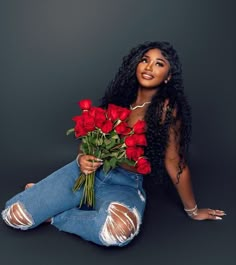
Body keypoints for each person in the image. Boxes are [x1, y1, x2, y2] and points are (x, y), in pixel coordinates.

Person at [1, 41, 226, 247]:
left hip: (124, 184)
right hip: (85, 174)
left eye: (159, 64)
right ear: (136, 65)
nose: (149, 67)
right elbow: (90, 140)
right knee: (15, 216)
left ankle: (54, 215)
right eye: (145, 60)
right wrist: (82, 158)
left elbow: (174, 162)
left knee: (118, 232)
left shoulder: (165, 110)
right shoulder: (119, 98)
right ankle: (48, 197)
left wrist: (193, 211)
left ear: (168, 76)